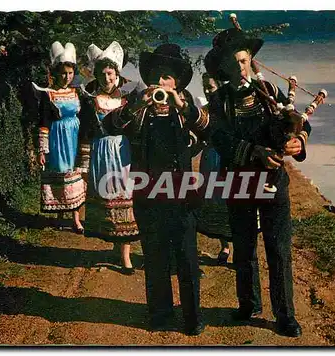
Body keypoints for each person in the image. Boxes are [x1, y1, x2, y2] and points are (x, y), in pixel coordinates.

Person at [204, 28, 311, 337]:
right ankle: (249, 304)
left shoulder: (268, 90)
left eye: (244, 60)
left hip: (274, 182)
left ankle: (285, 315)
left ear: (250, 60)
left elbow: (302, 122)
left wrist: (298, 142)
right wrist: (254, 151)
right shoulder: (219, 100)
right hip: (238, 182)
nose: (240, 68)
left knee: (278, 248)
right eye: (233, 63)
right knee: (245, 246)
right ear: (222, 67)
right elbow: (219, 139)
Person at [104, 44, 209, 336]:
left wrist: (183, 107)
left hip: (182, 196)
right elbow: (108, 126)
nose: (162, 83)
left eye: (168, 78)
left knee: (187, 259)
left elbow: (210, 131)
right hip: (148, 197)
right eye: (158, 77)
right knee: (155, 258)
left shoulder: (185, 106)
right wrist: (138, 104)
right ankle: (161, 315)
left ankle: (192, 317)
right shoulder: (139, 106)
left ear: (177, 82)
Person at [77, 41, 139, 275]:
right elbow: (85, 133)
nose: (107, 78)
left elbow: (135, 129)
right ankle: (116, 243)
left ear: (117, 74)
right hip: (101, 153)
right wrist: (83, 164)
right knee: (107, 199)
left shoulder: (127, 99)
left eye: (110, 73)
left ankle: (126, 257)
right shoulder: (90, 100)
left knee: (126, 198)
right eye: (102, 74)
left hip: (122, 152)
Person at [34, 41, 86, 232]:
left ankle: (76, 219)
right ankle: (59, 214)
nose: (67, 77)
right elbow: (44, 122)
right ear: (56, 73)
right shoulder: (48, 95)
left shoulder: (77, 92)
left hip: (75, 138)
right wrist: (42, 149)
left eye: (70, 73)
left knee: (75, 174)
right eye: (63, 73)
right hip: (57, 139)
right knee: (59, 173)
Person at [194, 73, 232, 266]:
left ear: (220, 86)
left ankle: (239, 248)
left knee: (232, 201)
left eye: (211, 87)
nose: (207, 91)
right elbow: (197, 137)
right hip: (210, 161)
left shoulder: (230, 108)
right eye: (205, 87)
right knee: (215, 201)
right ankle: (224, 246)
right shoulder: (204, 111)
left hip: (230, 160)